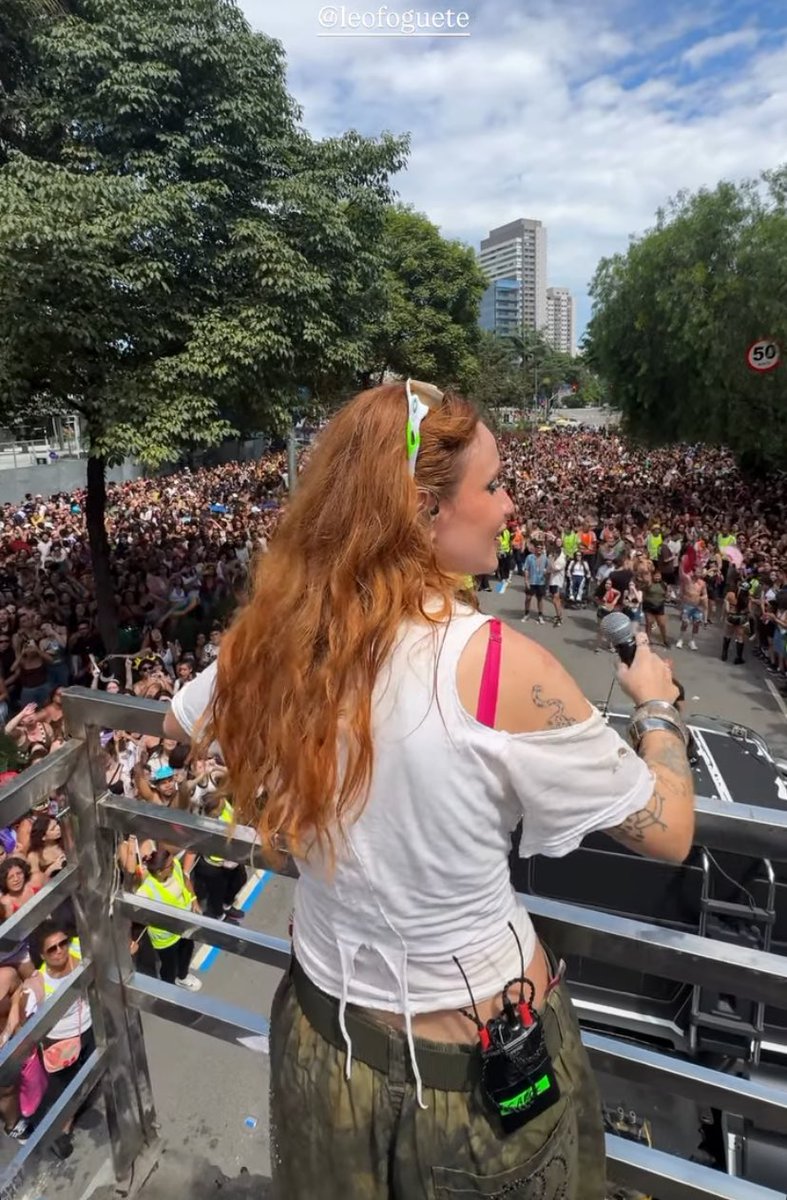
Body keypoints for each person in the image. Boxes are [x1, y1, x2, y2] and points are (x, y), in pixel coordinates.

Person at [165, 380, 694, 1200]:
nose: (509, 505)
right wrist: (656, 710)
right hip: (474, 1072)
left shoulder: (272, 638)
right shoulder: (494, 665)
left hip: (323, 1045)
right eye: (493, 485)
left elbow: (180, 722)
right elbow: (667, 830)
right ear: (420, 511)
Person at [135, 849, 202, 991]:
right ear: (159, 872)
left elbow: (185, 880)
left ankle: (183, 977)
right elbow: (135, 914)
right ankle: (168, 990)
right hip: (166, 938)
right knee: (169, 967)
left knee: (187, 951)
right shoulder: (145, 891)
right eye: (169, 865)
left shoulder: (175, 865)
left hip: (184, 926)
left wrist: (194, 900)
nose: (173, 865)